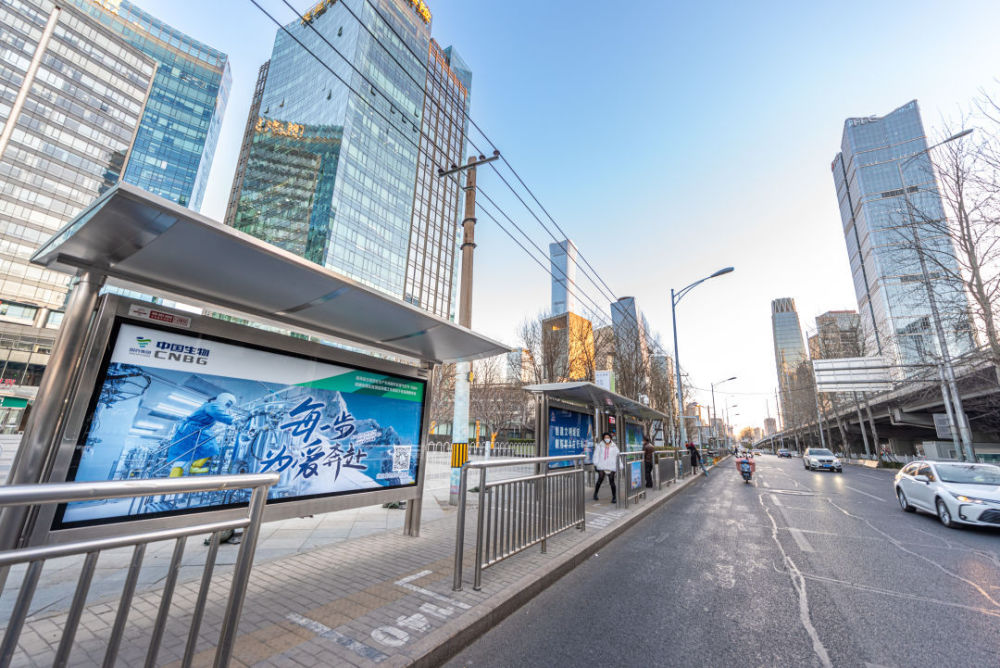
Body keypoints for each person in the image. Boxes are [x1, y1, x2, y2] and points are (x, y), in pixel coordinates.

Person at [167, 393, 238, 477]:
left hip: (191, 430)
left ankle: (173, 482)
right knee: (211, 447)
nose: (227, 406)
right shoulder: (212, 405)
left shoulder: (208, 406)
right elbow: (218, 413)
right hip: (194, 430)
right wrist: (233, 421)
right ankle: (194, 467)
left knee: (182, 458)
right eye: (228, 403)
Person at [592, 432, 619, 503]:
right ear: (603, 438)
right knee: (600, 479)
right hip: (602, 465)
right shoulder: (600, 445)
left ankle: (614, 497)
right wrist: (596, 464)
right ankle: (595, 494)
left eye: (608, 437)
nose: (606, 439)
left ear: (610, 438)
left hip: (611, 465)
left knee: (611, 481)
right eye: (605, 437)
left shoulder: (614, 446)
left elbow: (617, 456)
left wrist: (619, 465)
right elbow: (596, 455)